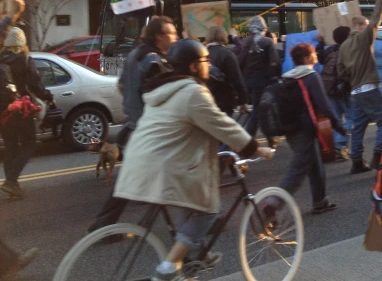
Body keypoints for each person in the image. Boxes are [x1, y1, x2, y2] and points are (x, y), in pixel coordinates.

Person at [114, 39, 273, 281]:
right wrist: (255, 148)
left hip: (142, 161)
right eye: (205, 61)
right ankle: (168, 267)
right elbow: (222, 124)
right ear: (192, 67)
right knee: (208, 210)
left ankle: (194, 252)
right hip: (165, 166)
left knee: (191, 203)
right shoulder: (193, 92)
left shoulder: (164, 90)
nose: (208, 65)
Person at [88, 16, 177, 232]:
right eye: (172, 33)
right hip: (148, 130)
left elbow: (121, 85)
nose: (175, 37)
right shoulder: (153, 61)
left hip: (134, 126)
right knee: (178, 174)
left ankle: (109, 226)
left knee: (139, 180)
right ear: (159, 36)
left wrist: (131, 104)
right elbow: (157, 94)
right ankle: (191, 231)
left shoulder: (135, 55)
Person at [279, 43, 346, 213]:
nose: (316, 55)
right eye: (314, 53)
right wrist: (338, 126)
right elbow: (324, 105)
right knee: (297, 171)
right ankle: (272, 205)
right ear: (307, 58)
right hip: (305, 128)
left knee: (315, 164)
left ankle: (320, 201)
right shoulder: (311, 76)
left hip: (291, 128)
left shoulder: (287, 77)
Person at [338, 0, 382, 173]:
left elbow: (340, 70)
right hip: (369, 88)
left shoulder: (343, 46)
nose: (370, 29)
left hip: (355, 91)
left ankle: (357, 161)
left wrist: (353, 75)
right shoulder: (362, 38)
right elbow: (376, 18)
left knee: (358, 127)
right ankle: (378, 154)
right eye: (366, 26)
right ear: (360, 27)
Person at [0, 27, 54, 199]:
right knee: (29, 143)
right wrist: (48, 97)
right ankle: (11, 181)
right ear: (22, 43)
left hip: (3, 110)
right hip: (21, 109)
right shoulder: (25, 60)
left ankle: (13, 186)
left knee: (10, 146)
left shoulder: (1, 60)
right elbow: (36, 86)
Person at [239, 16, 280, 143]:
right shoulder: (267, 42)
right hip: (263, 81)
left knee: (260, 109)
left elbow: (239, 62)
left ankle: (270, 138)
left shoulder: (245, 42)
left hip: (248, 81)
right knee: (260, 110)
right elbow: (275, 62)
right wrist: (276, 76)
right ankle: (246, 141)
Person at [318, 26, 352, 161]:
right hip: (343, 88)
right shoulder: (347, 50)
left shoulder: (330, 49)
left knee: (336, 117)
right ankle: (339, 145)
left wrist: (320, 43)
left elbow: (320, 58)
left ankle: (333, 148)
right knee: (351, 117)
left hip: (329, 88)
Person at [204, 26, 249, 116]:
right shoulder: (227, 53)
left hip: (205, 99)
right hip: (224, 99)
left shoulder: (202, 53)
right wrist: (243, 101)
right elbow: (236, 79)